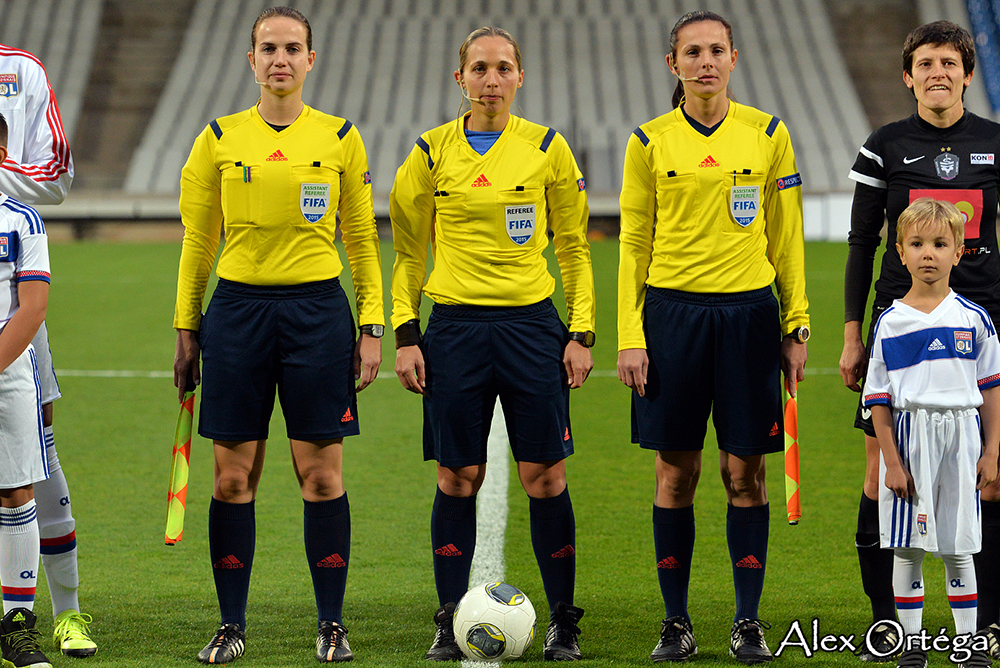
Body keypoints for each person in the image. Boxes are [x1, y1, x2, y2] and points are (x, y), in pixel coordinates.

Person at [172, 6, 383, 664]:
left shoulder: (342, 137)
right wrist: (187, 326)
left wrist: (371, 324)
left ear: (311, 60)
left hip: (318, 313)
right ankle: (232, 625)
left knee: (321, 477)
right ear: (251, 59)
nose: (280, 59)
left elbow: (363, 242)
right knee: (232, 478)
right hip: (236, 315)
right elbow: (198, 243)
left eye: (293, 47)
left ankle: (331, 624)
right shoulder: (216, 138)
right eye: (268, 48)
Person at [390, 26, 596, 663]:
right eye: (479, 68)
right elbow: (406, 253)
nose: (491, 79)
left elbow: (574, 249)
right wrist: (406, 333)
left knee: (545, 476)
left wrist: (580, 330)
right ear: (461, 79)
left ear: (519, 77)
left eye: (503, 67)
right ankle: (448, 617)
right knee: (458, 477)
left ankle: (564, 619)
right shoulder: (429, 153)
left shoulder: (547, 149)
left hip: (532, 329)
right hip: (453, 329)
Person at [617, 10, 809, 664]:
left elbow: (786, 237)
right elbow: (633, 244)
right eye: (691, 52)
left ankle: (746, 622)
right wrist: (629, 334)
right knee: (676, 472)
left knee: (743, 473)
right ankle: (676, 623)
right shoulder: (648, 141)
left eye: (715, 51)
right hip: (672, 320)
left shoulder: (769, 134)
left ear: (734, 58)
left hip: (750, 319)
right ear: (674, 64)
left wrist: (796, 321)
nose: (704, 61)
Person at [840, 21, 1000, 662]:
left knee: (988, 469)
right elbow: (859, 245)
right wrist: (854, 334)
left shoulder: (995, 143)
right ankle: (889, 625)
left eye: (950, 62)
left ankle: (981, 624)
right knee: (883, 471)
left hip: (980, 321)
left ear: (967, 73)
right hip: (900, 322)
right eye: (926, 63)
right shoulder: (886, 145)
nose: (938, 72)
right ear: (908, 76)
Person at [863, 198, 999, 668]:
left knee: (960, 545)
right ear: (900, 252)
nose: (928, 254)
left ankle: (967, 644)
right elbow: (877, 399)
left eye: (940, 244)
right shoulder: (890, 321)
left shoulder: (974, 319)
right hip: (910, 436)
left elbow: (991, 390)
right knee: (909, 547)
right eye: (917, 244)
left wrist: (992, 452)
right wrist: (891, 461)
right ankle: (912, 645)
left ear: (958, 252)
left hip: (962, 437)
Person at [0, 43, 96, 657]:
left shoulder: (21, 70)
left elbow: (55, 178)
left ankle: (64, 611)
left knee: (36, 449)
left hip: (10, 296)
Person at [0, 110, 54, 668]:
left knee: (15, 493)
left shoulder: (22, 221)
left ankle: (16, 626)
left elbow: (32, 307)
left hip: (8, 372)